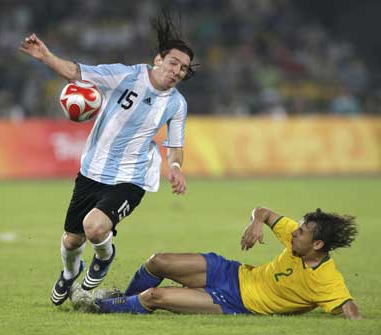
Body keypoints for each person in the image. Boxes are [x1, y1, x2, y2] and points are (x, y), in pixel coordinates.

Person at [19, 12, 196, 306]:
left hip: (132, 178)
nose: (177, 71)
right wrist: (45, 56)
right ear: (158, 60)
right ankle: (69, 271)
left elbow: (175, 145)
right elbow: (77, 73)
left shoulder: (177, 104)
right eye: (173, 62)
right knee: (71, 240)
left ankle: (104, 256)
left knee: (95, 226)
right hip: (92, 171)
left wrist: (175, 166)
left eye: (184, 68)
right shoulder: (125, 76)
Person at [70, 206, 362, 320]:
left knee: (155, 297)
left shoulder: (326, 280)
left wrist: (357, 319)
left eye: (300, 233)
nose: (293, 233)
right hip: (233, 272)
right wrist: (256, 224)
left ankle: (97, 306)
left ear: (318, 245)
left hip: (236, 301)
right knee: (158, 261)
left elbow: (347, 306)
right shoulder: (295, 240)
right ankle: (123, 298)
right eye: (296, 228)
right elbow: (262, 211)